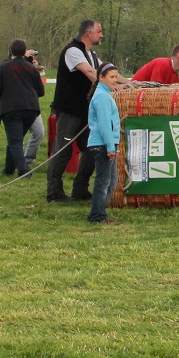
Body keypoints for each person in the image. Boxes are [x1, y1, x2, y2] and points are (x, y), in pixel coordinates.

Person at [47, 19, 103, 203]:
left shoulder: (92, 54)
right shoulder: (73, 51)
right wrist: (111, 85)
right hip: (69, 110)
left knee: (92, 148)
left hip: (85, 111)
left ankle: (80, 189)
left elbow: (106, 72)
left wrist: (130, 83)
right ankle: (54, 192)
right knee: (62, 150)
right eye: (99, 31)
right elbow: (90, 73)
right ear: (89, 33)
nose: (101, 35)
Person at [0, 38, 45, 177]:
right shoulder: (32, 68)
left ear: (10, 51)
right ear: (25, 51)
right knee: (15, 139)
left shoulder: (4, 67)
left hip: (11, 109)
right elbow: (41, 91)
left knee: (15, 141)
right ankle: (8, 170)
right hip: (31, 109)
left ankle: (24, 170)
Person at [87, 63, 121, 225]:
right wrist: (110, 147)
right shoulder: (101, 96)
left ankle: (100, 213)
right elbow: (105, 124)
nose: (114, 80)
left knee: (111, 181)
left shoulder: (104, 94)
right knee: (104, 181)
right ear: (101, 77)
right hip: (102, 144)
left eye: (116, 77)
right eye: (111, 77)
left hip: (105, 143)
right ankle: (97, 216)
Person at [22, 49, 46, 167]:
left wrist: (35, 68)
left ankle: (28, 159)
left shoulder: (32, 68)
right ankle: (18, 161)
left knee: (39, 132)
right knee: (18, 135)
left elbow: (40, 89)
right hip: (18, 105)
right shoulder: (10, 65)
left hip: (32, 105)